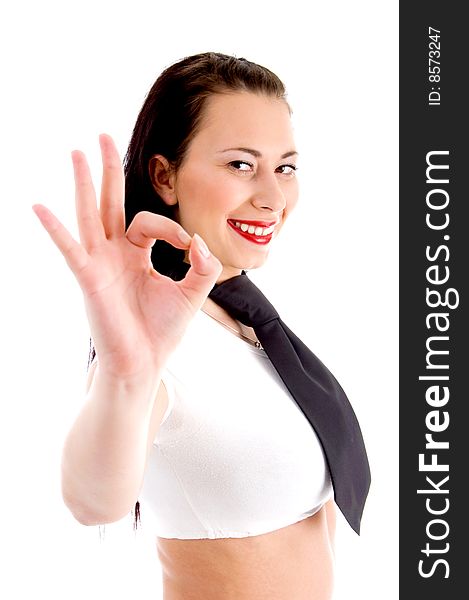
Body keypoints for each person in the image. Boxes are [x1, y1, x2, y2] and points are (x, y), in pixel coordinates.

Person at [33, 52, 365, 600]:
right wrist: (124, 373)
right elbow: (94, 500)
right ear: (164, 176)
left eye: (284, 167)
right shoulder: (158, 348)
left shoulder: (243, 321)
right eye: (240, 164)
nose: (273, 198)